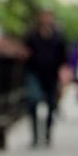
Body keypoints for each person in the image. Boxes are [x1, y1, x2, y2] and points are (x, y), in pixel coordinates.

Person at [23, 10, 67, 147]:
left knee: (51, 104)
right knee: (34, 101)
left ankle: (47, 133)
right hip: (35, 73)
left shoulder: (58, 36)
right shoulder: (32, 35)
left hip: (52, 75)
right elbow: (26, 51)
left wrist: (63, 75)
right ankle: (35, 136)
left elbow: (63, 57)